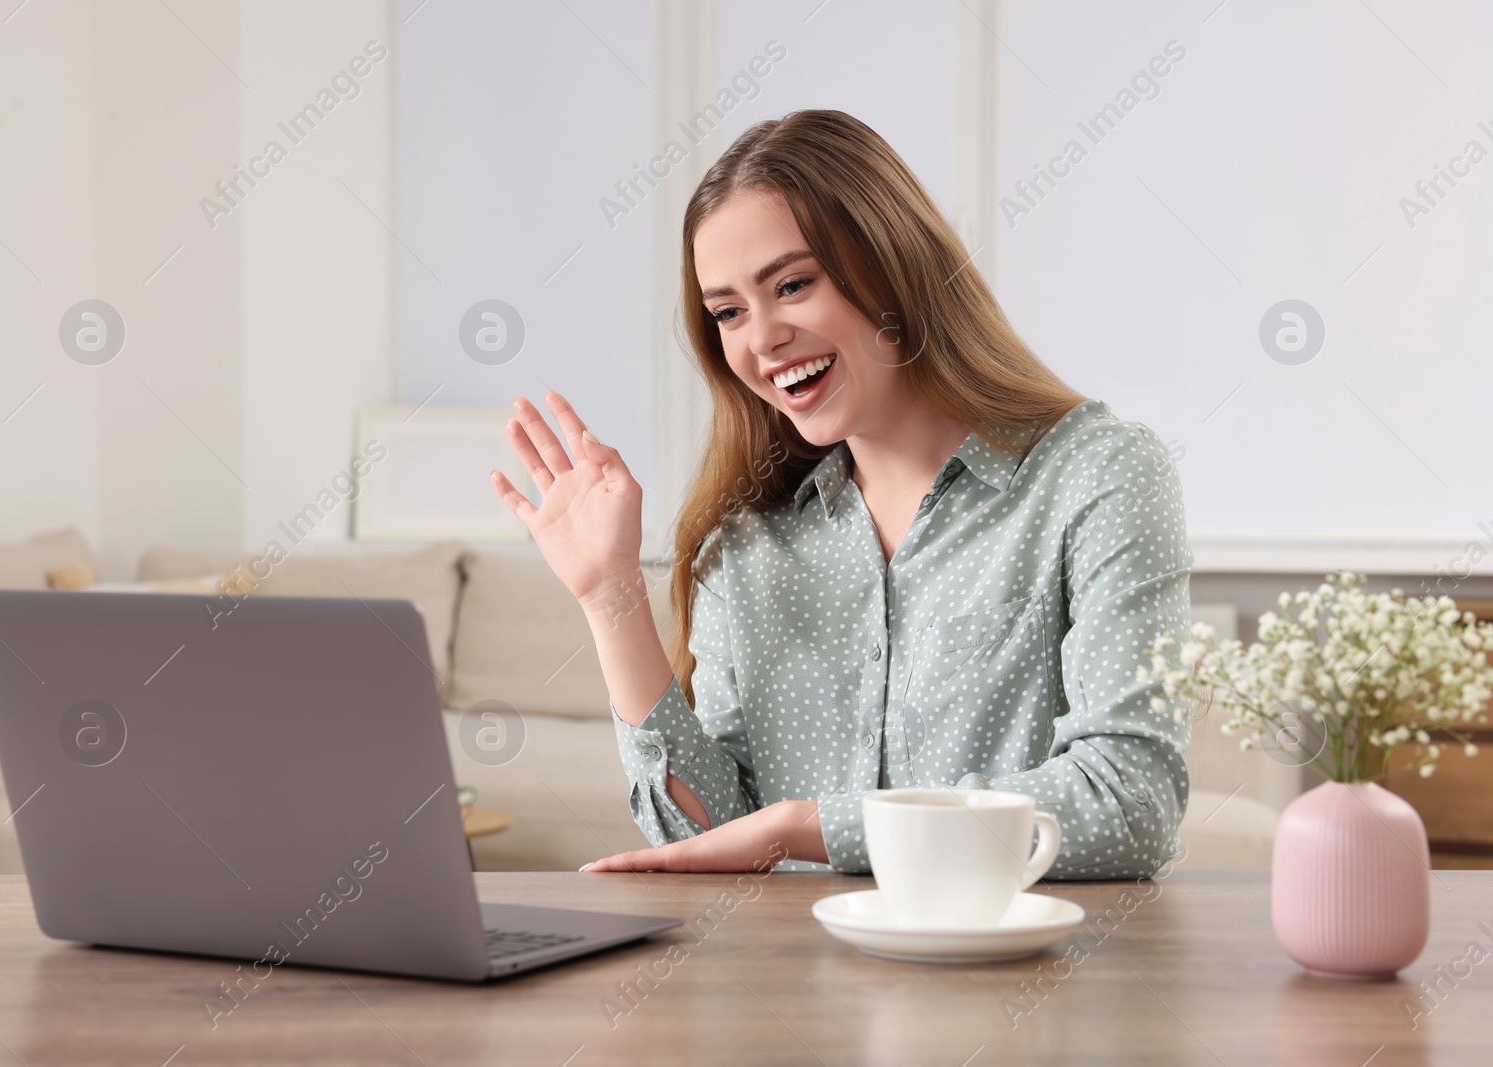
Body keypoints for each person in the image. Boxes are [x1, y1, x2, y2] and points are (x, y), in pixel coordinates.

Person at [490, 109, 1192, 877]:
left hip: (1015, 981)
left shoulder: (1096, 474)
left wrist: (809, 826)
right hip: (791, 987)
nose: (760, 341)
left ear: (891, 266)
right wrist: (609, 595)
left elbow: (1130, 802)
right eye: (728, 311)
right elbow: (713, 839)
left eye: (792, 284)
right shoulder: (747, 545)